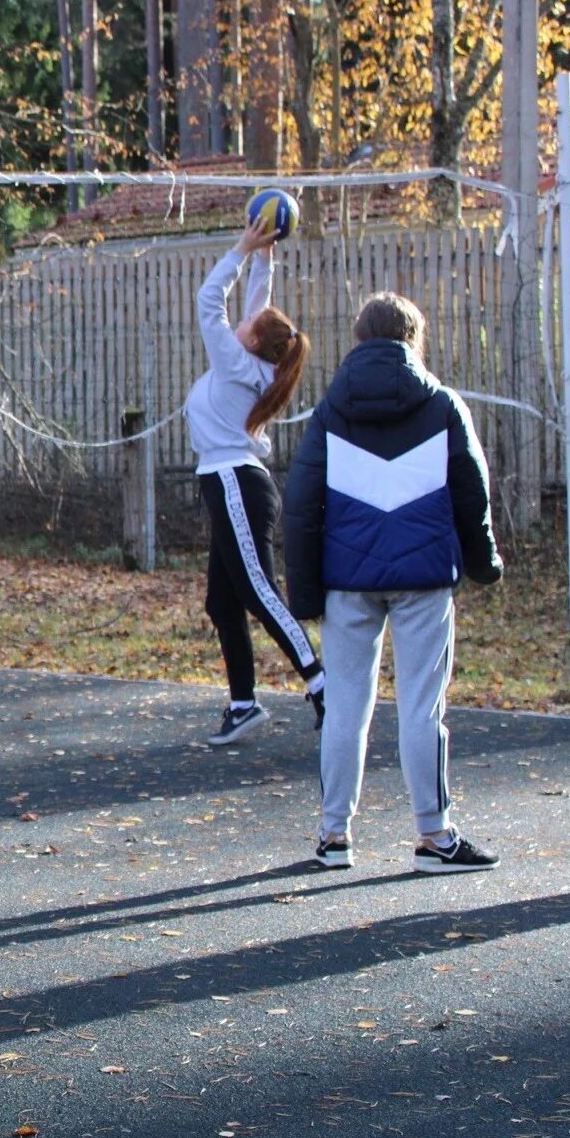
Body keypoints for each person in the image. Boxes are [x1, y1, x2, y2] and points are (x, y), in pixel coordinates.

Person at [284, 292, 503, 873]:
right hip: (424, 579)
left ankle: (334, 837)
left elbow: (301, 508)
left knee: (346, 709)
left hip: (347, 581)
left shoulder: (330, 411)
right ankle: (435, 837)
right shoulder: (443, 406)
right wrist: (484, 563)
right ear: (414, 338)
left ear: (359, 339)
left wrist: (304, 593)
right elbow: (472, 496)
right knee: (422, 709)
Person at [188, 219, 325, 745]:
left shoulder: (236, 365)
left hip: (235, 484)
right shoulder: (259, 357)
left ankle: (321, 684)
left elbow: (208, 299)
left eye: (250, 324)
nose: (242, 323)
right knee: (223, 603)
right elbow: (258, 307)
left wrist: (240, 249)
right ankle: (243, 704)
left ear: (253, 342)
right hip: (226, 483)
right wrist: (264, 256)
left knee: (260, 594)